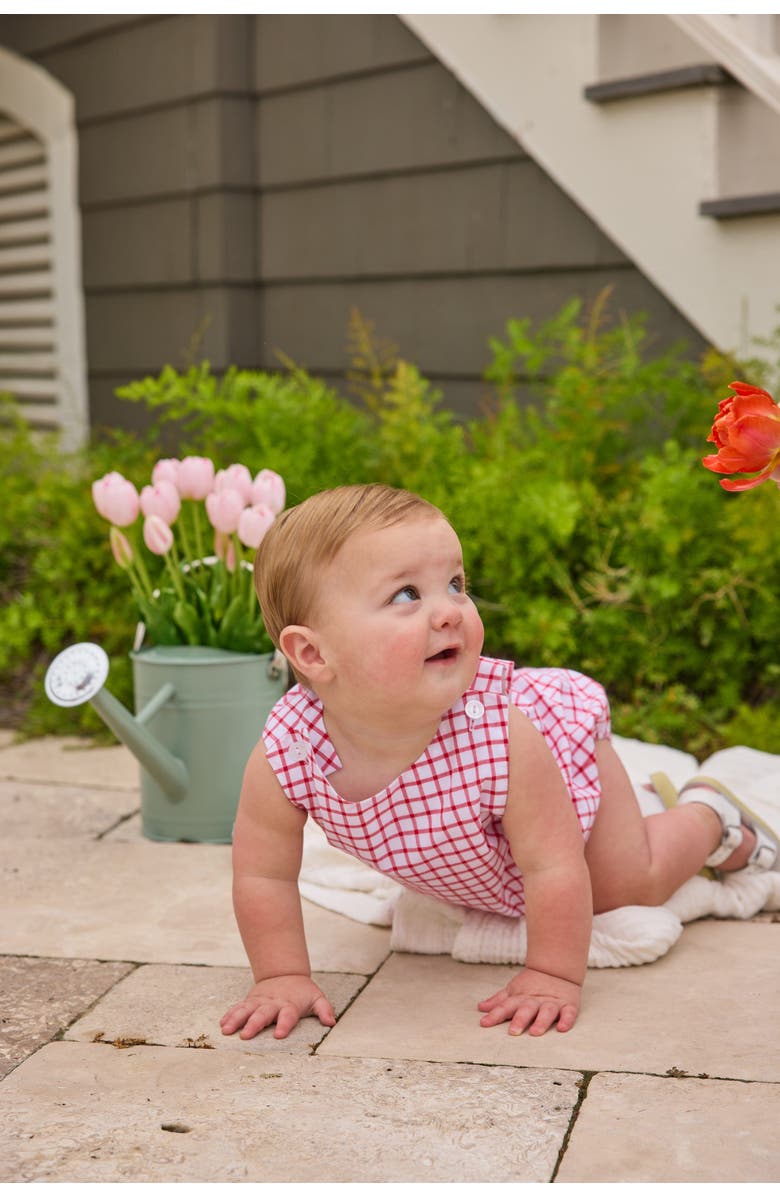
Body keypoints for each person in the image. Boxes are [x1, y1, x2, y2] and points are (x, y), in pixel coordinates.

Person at [220, 484, 778, 1043]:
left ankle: (709, 817)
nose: (450, 611)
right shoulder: (290, 752)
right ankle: (661, 804)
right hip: (481, 850)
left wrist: (552, 974)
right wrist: (281, 977)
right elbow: (263, 874)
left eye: (456, 584)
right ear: (313, 653)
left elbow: (553, 865)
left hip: (566, 769)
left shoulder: (501, 732)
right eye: (406, 594)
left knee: (626, 884)